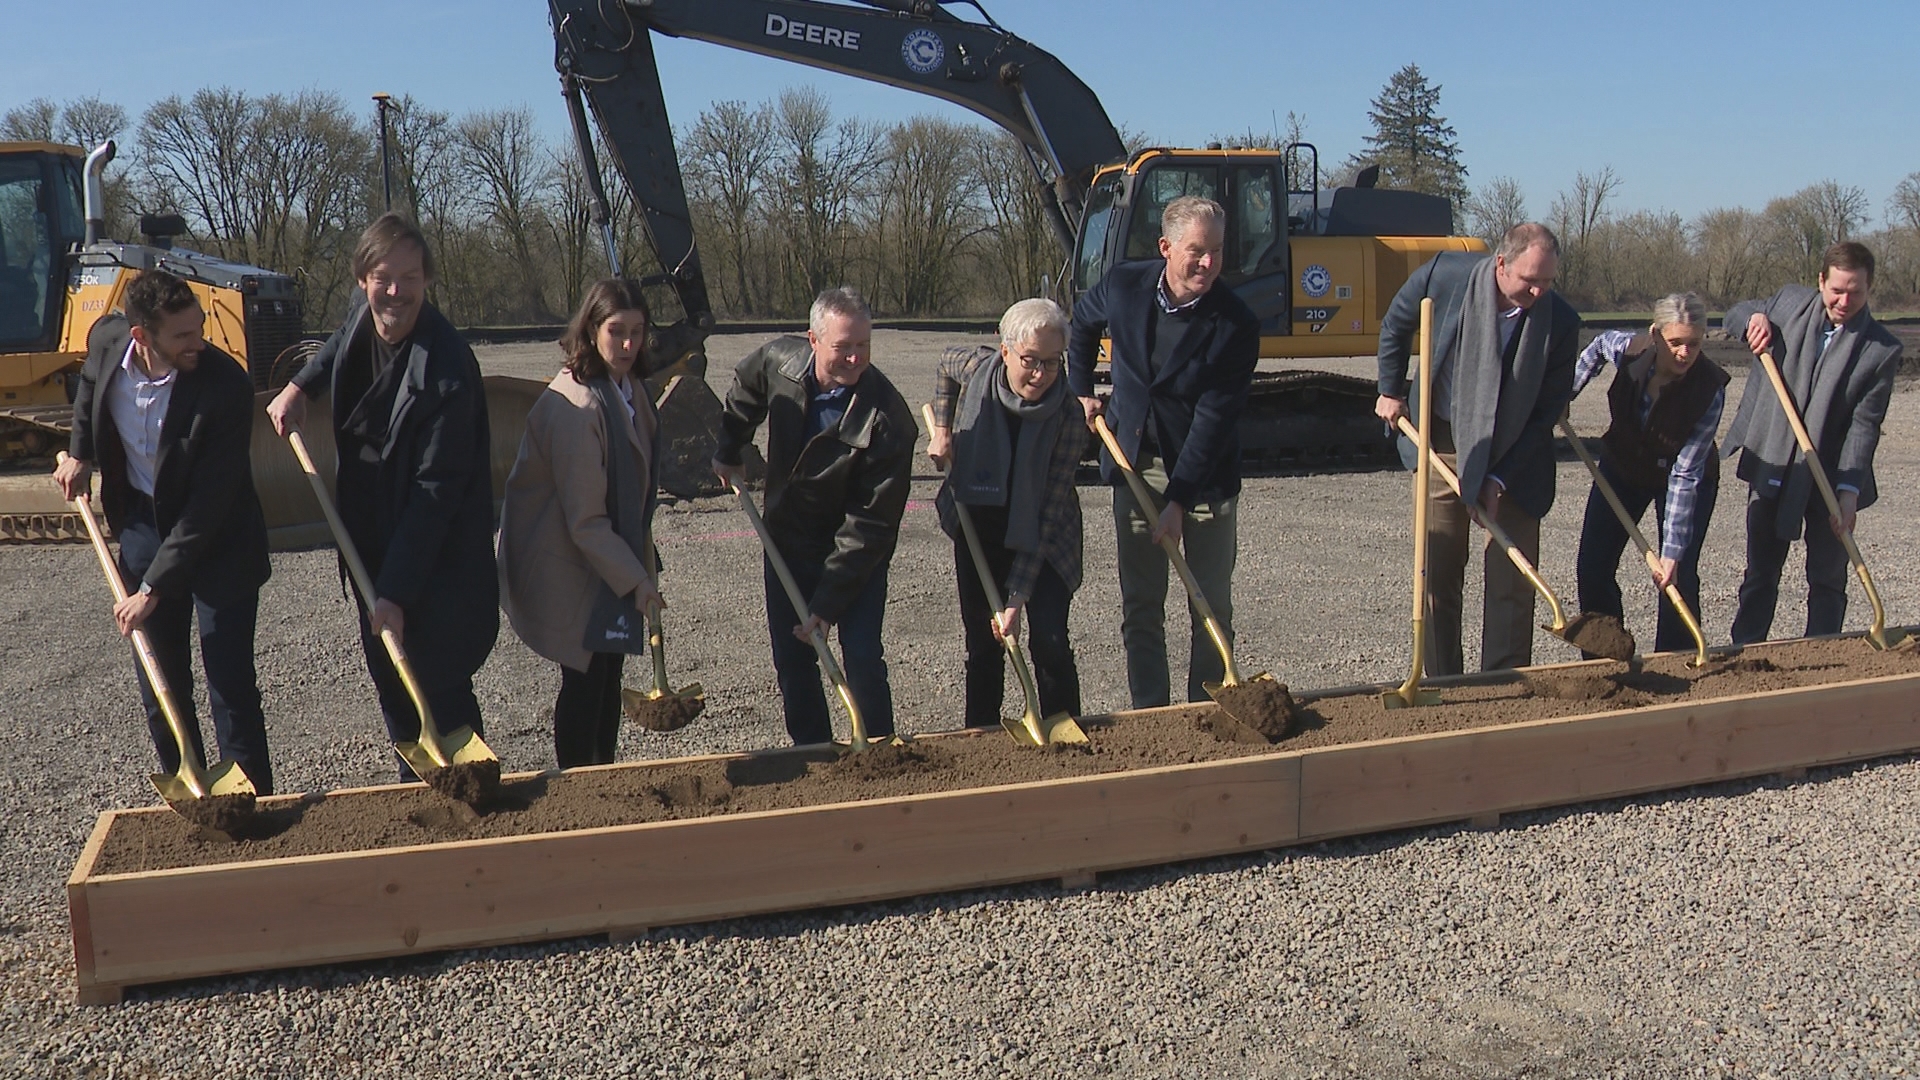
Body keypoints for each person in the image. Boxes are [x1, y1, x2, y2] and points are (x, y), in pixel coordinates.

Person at [265, 213, 497, 777]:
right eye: (383, 278)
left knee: (437, 685)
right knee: (391, 682)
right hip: (370, 540)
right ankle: (413, 791)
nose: (396, 292)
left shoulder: (447, 370)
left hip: (435, 559)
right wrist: (299, 387)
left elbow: (435, 494)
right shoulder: (361, 315)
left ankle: (471, 797)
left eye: (410, 278)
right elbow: (338, 344)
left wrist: (395, 592)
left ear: (427, 280)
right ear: (362, 279)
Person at [55, 269, 275, 793]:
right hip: (144, 526)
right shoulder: (108, 340)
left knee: (230, 683)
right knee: (161, 682)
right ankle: (192, 789)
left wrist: (151, 589)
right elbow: (90, 387)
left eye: (199, 328)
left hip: (220, 537)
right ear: (141, 336)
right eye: (182, 335)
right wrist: (81, 453)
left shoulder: (225, 386)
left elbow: (208, 506)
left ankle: (251, 802)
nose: (198, 342)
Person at [1067, 195, 1259, 709]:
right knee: (1142, 605)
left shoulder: (1235, 324)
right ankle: (1151, 712)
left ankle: (1209, 709)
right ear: (1166, 247)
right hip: (1134, 464)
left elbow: (1213, 422)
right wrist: (1080, 388)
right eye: (1197, 250)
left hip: (1205, 479)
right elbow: (1082, 323)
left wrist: (1178, 501)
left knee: (1209, 603)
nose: (1209, 262)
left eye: (1217, 250)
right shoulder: (1125, 285)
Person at [1375, 222, 1582, 675]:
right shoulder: (1445, 276)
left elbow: (1545, 412)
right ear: (1501, 264)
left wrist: (1499, 477)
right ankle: (1443, 679)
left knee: (1512, 580)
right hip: (1442, 443)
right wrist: (1389, 389)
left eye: (1548, 282)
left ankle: (1504, 682)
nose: (1539, 292)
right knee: (1438, 571)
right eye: (1530, 280)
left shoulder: (1561, 322)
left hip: (1516, 455)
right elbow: (1396, 323)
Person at [712, 286, 915, 746]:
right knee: (793, 660)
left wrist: (826, 605)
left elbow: (871, 525)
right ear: (814, 340)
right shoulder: (781, 362)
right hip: (787, 539)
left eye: (863, 345)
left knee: (861, 656)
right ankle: (813, 753)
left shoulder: (887, 419)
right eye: (843, 347)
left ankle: (880, 753)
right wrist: (730, 447)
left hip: (855, 555)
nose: (855, 358)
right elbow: (747, 386)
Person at [498, 279, 661, 768]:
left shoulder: (629, 391)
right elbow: (585, 520)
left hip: (604, 555)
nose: (628, 344)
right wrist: (637, 582)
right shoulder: (578, 405)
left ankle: (602, 773)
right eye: (617, 332)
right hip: (565, 556)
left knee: (608, 670)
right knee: (586, 676)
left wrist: (640, 570)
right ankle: (578, 785)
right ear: (591, 331)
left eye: (637, 332)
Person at [1722, 240, 1904, 643]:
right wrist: (1753, 319)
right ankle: (1745, 651)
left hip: (1832, 476)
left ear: (1869, 288)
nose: (1844, 301)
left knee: (1827, 578)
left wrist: (1849, 492)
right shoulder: (1788, 305)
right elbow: (1733, 313)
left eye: (1855, 292)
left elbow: (1864, 425)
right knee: (1761, 573)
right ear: (1821, 281)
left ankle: (1823, 653)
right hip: (1775, 459)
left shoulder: (1880, 349)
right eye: (1837, 290)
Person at [927, 298, 1084, 728]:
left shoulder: (1068, 415)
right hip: (979, 525)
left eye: (1052, 363)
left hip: (1045, 538)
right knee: (983, 644)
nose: (1040, 374)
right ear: (1006, 350)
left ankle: (1063, 728)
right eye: (1030, 360)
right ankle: (981, 734)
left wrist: (1017, 597)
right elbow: (945, 363)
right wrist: (943, 430)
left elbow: (1047, 515)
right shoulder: (978, 369)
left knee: (1049, 642)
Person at [1571, 292, 1727, 654]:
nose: (1685, 353)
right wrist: (1567, 392)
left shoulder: (1708, 390)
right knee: (1593, 566)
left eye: (1694, 343)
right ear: (1656, 335)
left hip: (1683, 476)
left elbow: (1685, 476)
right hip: (1624, 465)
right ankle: (1604, 653)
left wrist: (1671, 552)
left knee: (1676, 574)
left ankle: (1675, 660)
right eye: (1676, 343)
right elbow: (1599, 346)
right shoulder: (1630, 351)